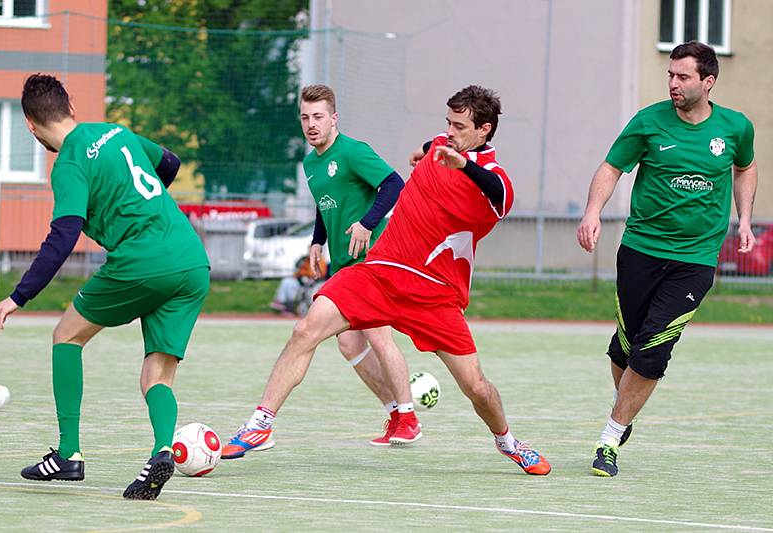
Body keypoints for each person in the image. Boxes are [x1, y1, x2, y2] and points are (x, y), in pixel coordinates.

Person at [224, 85, 551, 475]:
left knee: (476, 386)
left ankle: (508, 442)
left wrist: (462, 164)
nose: (449, 132)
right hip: (381, 271)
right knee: (306, 329)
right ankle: (261, 424)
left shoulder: (493, 180)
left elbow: (497, 190)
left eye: (459, 126)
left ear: (484, 130)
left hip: (435, 295)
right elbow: (435, 146)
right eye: (446, 123)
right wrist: (429, 147)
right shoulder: (439, 148)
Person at [0, 74, 211, 499]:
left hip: (141, 261)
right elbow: (170, 163)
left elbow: (64, 235)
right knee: (156, 375)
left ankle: (69, 454)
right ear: (71, 107)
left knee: (66, 335)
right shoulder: (115, 131)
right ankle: (162, 450)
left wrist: (19, 295)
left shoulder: (70, 162)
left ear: (30, 126)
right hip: (190, 258)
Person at [577, 41, 757, 477]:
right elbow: (611, 167)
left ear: (707, 82)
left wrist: (745, 219)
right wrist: (592, 211)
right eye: (670, 76)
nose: (673, 83)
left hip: (694, 260)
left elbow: (746, 168)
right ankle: (625, 410)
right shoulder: (648, 122)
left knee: (654, 349)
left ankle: (609, 439)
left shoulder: (735, 127)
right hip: (640, 250)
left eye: (683, 77)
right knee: (626, 347)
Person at [222, 84, 421, 458]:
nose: (311, 125)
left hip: (373, 262)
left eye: (318, 117)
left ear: (334, 119)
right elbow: (324, 204)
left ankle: (406, 417)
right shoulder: (311, 163)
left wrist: (366, 223)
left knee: (359, 335)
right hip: (346, 266)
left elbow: (394, 184)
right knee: (349, 343)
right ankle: (398, 414)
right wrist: (317, 240)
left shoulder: (352, 152)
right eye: (305, 118)